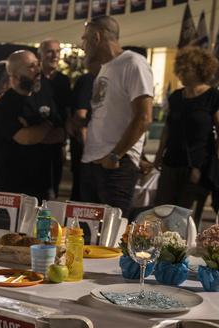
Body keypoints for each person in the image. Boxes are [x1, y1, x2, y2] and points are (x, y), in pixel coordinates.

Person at [80, 16, 154, 216]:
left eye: (85, 39)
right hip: (94, 162)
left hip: (116, 165)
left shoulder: (133, 63)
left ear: (97, 36)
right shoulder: (105, 67)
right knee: (88, 234)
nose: (82, 45)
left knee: (113, 234)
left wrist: (115, 155)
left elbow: (144, 117)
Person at [154, 47, 219, 225]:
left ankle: (183, 251)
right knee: (162, 213)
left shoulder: (213, 96)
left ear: (200, 70)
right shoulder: (176, 97)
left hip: (197, 165)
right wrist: (159, 154)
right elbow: (168, 128)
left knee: (186, 218)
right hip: (171, 162)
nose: (181, 73)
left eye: (186, 69)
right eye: (180, 69)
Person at [0, 51, 65, 201]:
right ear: (14, 74)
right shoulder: (6, 105)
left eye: (38, 65)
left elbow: (61, 134)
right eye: (31, 67)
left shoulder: (45, 96)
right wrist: (47, 124)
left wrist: (36, 130)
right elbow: (26, 138)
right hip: (13, 186)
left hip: (44, 184)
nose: (38, 70)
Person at [36, 39, 72, 198]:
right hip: (34, 143)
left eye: (57, 51)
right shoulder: (33, 79)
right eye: (50, 51)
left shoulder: (63, 81)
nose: (55, 55)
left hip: (56, 143)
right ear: (41, 54)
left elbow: (67, 112)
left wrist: (64, 141)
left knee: (52, 191)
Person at [68, 68, 98, 201]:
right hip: (87, 153)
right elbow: (81, 116)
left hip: (90, 152)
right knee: (83, 200)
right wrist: (88, 152)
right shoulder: (90, 80)